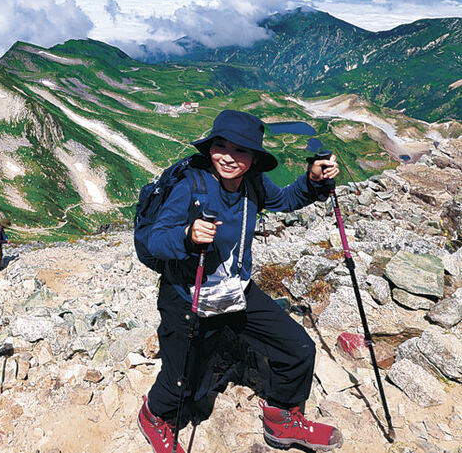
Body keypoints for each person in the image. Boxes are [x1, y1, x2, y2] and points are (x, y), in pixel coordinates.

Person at [134, 110, 343, 453]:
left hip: (235, 289)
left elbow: (286, 200)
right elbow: (157, 239)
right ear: (210, 146)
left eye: (241, 150)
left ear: (254, 158)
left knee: (298, 348)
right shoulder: (190, 184)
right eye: (220, 146)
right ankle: (154, 416)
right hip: (187, 296)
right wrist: (187, 236)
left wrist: (313, 180)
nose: (228, 157)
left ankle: (281, 419)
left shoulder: (254, 184)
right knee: (184, 383)